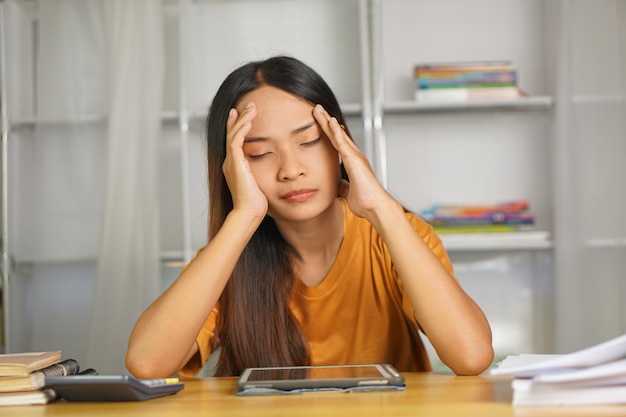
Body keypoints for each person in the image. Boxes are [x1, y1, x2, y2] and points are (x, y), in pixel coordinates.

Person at [125, 56, 494, 378]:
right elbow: (146, 362)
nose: (291, 169)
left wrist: (382, 209)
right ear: (233, 168)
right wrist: (242, 218)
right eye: (259, 153)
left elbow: (472, 356)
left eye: (309, 141)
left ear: (340, 143)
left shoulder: (398, 234)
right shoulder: (228, 259)